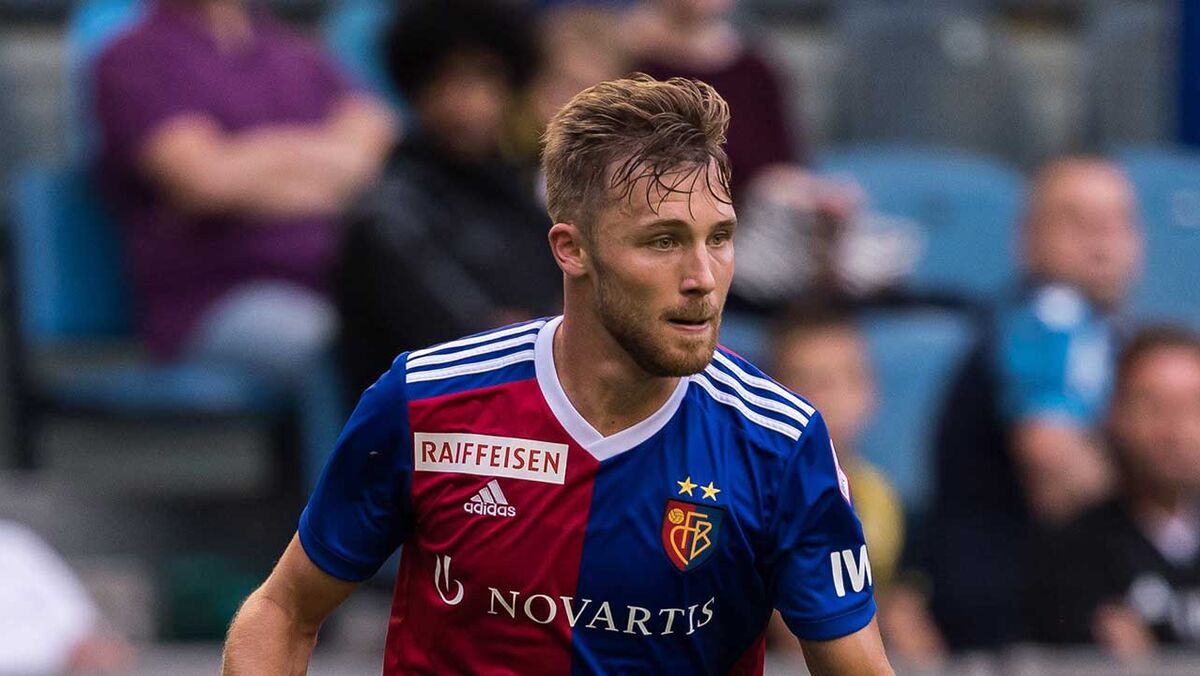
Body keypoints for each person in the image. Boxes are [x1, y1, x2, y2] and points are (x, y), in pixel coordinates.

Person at [222, 75, 892, 674]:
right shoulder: (426, 401)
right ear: (572, 249)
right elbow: (282, 612)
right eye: (662, 241)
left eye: (719, 238)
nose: (703, 278)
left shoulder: (780, 444)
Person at [93, 0, 395, 387]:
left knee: (436, 338)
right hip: (217, 301)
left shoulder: (297, 53)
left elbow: (376, 151)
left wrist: (248, 159)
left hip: (338, 284)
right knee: (343, 347)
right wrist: (325, 165)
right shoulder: (133, 57)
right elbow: (205, 182)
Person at [928, 157, 1144, 649]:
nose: (1102, 240)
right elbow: (1055, 471)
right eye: (1076, 221)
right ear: (1025, 238)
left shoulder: (1099, 330)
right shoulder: (1051, 318)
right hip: (1017, 625)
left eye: (1118, 221)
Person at [335, 0, 559, 398]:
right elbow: (478, 350)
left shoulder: (525, 195)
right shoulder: (388, 215)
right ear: (416, 89)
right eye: (445, 79)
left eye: (484, 77)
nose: (466, 103)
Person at [766, 308, 945, 666]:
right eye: (810, 382)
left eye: (846, 378)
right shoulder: (759, 497)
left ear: (870, 392)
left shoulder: (881, 495)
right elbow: (790, 632)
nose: (830, 398)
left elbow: (904, 608)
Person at [1030, 326, 1200, 655]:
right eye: (1154, 407)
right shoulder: (1073, 553)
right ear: (1116, 415)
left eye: (1194, 407)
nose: (1176, 430)